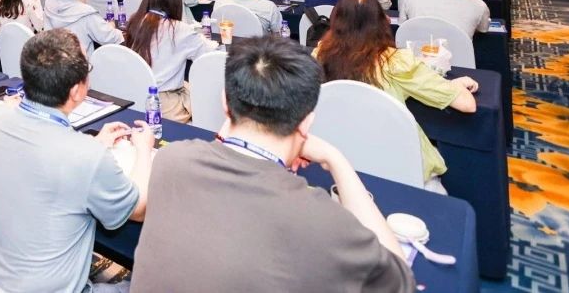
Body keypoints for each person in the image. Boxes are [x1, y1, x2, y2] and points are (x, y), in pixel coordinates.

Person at [129, 35, 414, 292]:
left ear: (225, 102)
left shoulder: (171, 160)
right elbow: (401, 282)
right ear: (307, 122)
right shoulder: (318, 219)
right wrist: (337, 160)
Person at [0, 30, 155, 293]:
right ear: (76, 91)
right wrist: (144, 150)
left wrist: (94, 144)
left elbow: (38, 157)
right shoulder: (86, 157)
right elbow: (138, 209)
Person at [313, 0, 478, 188]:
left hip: (338, 166)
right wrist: (453, 86)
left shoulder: (320, 54)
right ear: (382, 21)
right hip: (400, 171)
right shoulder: (395, 62)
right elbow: (467, 104)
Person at [125, 0, 217, 122]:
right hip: (166, 105)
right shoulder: (179, 30)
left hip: (136, 94)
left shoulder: (135, 21)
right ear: (175, 1)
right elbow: (207, 57)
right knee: (209, 97)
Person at [44, 0, 124, 55]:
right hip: (79, 62)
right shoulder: (86, 13)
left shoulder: (49, 5)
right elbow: (110, 38)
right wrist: (112, 26)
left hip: (51, 60)